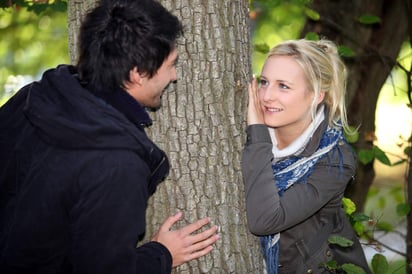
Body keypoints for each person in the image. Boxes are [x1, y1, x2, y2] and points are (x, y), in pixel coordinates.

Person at [0, 0, 219, 273]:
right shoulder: (118, 166)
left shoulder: (32, 99)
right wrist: (161, 255)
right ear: (137, 73)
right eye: (171, 64)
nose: (174, 77)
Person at [241, 39, 371, 273]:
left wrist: (258, 135)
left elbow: (265, 221)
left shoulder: (334, 161)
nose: (266, 96)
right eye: (264, 82)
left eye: (283, 86)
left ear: (317, 95)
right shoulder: (245, 128)